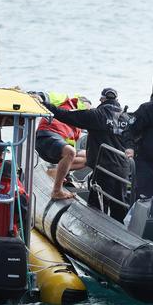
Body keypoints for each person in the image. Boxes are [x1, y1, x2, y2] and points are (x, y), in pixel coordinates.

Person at [43, 88, 130, 222]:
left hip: (104, 168)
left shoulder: (97, 115)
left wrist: (44, 104)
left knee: (97, 206)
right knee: (120, 206)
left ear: (102, 100)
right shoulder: (127, 118)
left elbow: (66, 115)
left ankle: (95, 233)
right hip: (123, 169)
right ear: (117, 101)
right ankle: (121, 233)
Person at [35, 93, 89, 200]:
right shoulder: (66, 100)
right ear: (83, 102)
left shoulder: (78, 126)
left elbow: (69, 149)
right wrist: (37, 96)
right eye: (89, 107)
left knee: (89, 157)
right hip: (46, 136)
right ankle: (57, 191)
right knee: (70, 152)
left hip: (57, 148)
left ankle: (56, 171)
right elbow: (44, 96)